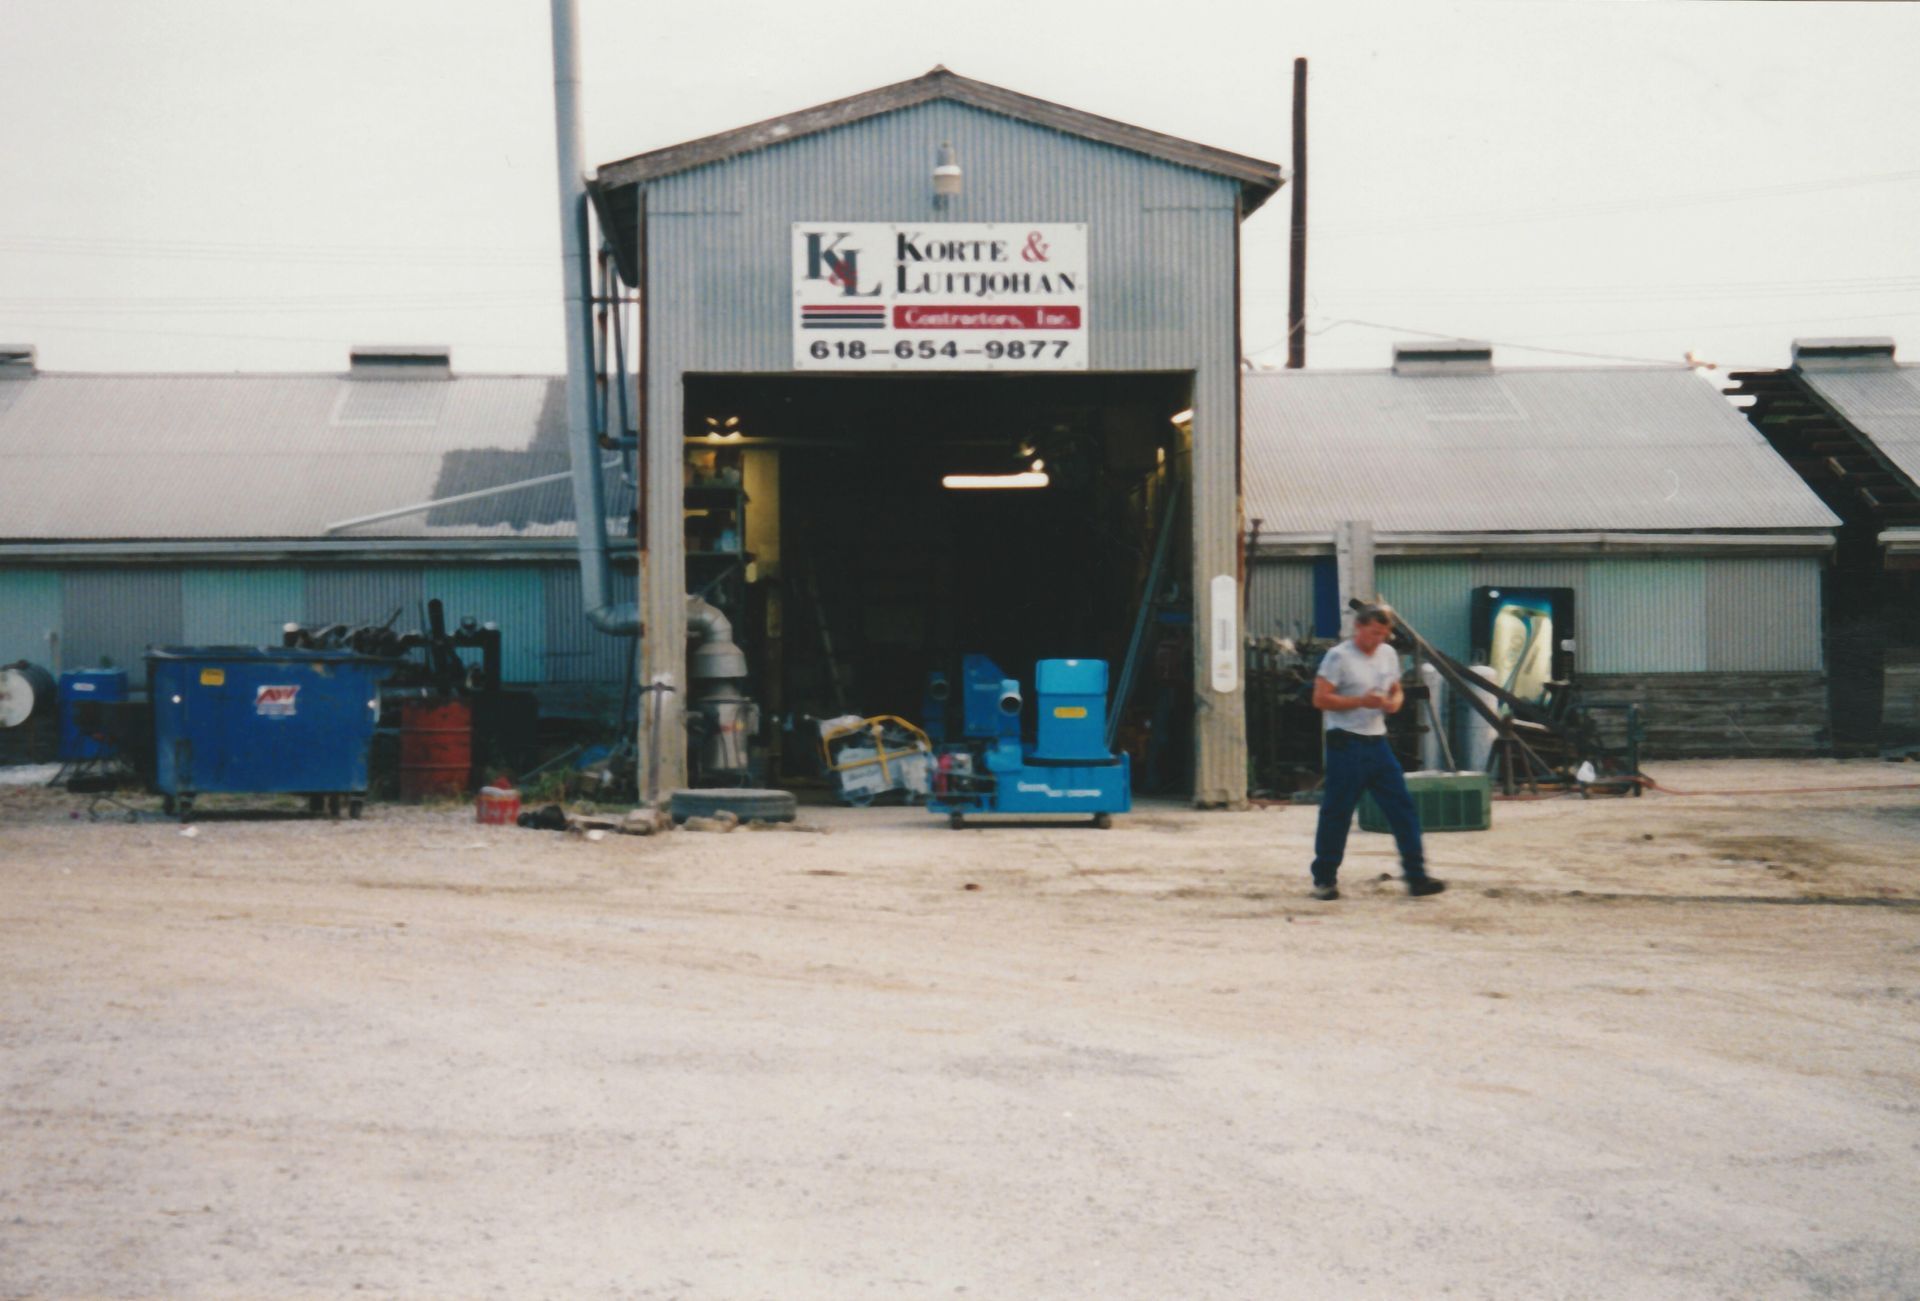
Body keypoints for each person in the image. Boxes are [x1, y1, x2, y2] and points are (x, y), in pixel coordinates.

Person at [1307, 605, 1447, 901]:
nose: (1378, 640)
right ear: (1358, 627)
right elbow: (1320, 698)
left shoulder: (1387, 654)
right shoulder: (1339, 657)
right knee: (1337, 812)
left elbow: (1396, 688)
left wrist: (1394, 701)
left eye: (1383, 634)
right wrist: (1360, 701)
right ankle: (1324, 879)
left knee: (1402, 809)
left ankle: (1416, 876)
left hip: (1377, 742)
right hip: (1345, 742)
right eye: (1373, 633)